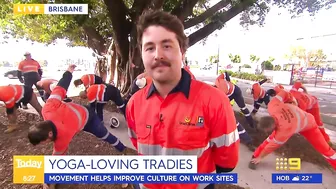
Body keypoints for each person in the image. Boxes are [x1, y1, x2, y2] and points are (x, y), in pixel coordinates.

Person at [126, 10, 239, 189]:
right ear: (142, 54)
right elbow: (137, 144)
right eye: (149, 48)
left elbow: (226, 162)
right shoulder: (134, 104)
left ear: (183, 52)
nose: (158, 55)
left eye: (167, 45)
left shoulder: (215, 101)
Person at [27, 65, 126, 160]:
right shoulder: (48, 108)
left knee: (104, 134)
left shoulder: (62, 137)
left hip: (89, 119)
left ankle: (121, 147)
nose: (43, 144)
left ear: (49, 134)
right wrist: (68, 72)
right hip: (81, 115)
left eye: (43, 142)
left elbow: (57, 157)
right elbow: (61, 88)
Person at [248, 89, 336, 170]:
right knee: (270, 139)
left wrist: (261, 157)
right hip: (299, 119)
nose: (267, 132)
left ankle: (257, 157)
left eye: (268, 130)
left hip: (310, 126)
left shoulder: (284, 130)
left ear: (272, 126)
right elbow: (283, 93)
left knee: (326, 150)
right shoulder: (272, 106)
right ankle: (255, 156)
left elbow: (270, 147)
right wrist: (292, 99)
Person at [289, 81, 331, 146]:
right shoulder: (291, 92)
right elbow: (298, 83)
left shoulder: (302, 106)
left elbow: (301, 121)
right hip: (305, 99)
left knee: (317, 123)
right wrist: (303, 89)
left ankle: (326, 141)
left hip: (313, 105)